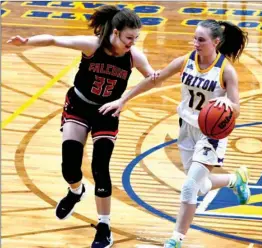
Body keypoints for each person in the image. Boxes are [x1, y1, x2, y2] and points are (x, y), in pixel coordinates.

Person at [7, 5, 160, 248]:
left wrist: (125, 99)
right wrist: (27, 41)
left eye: (136, 38)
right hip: (79, 106)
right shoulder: (94, 45)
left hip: (106, 112)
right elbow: (56, 40)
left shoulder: (134, 57)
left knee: (100, 167)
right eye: (129, 37)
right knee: (70, 165)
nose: (133, 42)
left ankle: (104, 225)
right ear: (116, 32)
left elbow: (152, 79)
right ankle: (76, 191)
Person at [99, 19, 251, 248]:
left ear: (216, 42)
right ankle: (235, 179)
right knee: (199, 186)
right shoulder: (186, 60)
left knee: (190, 187)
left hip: (211, 133)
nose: (195, 43)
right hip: (186, 129)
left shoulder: (226, 71)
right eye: (194, 38)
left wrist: (227, 103)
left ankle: (175, 239)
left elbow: (237, 109)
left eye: (201, 40)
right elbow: (155, 79)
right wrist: (123, 99)